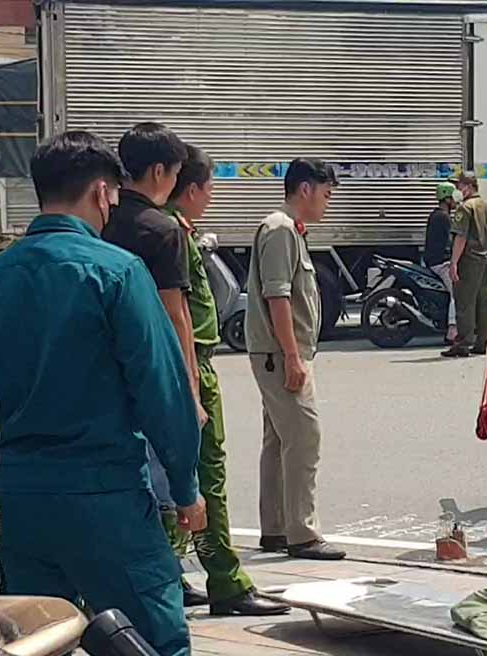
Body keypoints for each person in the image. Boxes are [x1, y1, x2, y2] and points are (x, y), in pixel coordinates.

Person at [0, 131, 204, 656]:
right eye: (112, 195)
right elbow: (163, 392)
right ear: (100, 190)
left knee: (45, 651)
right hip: (108, 495)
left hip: (28, 501)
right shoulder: (118, 273)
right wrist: (186, 486)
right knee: (154, 642)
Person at [165, 145, 290, 616]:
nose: (211, 196)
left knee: (172, 479)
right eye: (210, 187)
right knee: (204, 475)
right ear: (192, 188)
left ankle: (174, 572)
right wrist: (193, 387)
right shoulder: (169, 234)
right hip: (190, 364)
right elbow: (178, 314)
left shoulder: (168, 229)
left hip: (186, 364)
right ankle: (226, 581)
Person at [245, 158, 346, 561]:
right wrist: (292, 356)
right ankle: (302, 533)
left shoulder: (289, 230)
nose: (327, 203)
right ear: (305, 189)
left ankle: (276, 529)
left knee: (279, 441)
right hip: (280, 353)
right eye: (326, 194)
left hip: (280, 351)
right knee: (304, 438)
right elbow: (278, 296)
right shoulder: (281, 230)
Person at [101, 123, 204, 427]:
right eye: (175, 174)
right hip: (149, 367)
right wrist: (190, 387)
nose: (175, 183)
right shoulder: (163, 230)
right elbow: (174, 313)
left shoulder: (101, 217)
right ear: (159, 172)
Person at [446, 171, 487, 358]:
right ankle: (483, 342)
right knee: (484, 304)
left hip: (469, 262)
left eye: (459, 185)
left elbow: (461, 237)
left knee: (465, 302)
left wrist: (454, 263)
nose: (457, 189)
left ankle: (463, 343)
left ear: (469, 186)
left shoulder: (465, 208)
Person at [424, 182, 458, 343]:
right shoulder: (443, 218)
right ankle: (452, 329)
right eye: (452, 198)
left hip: (433, 260)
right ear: (447, 198)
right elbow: (449, 242)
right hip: (441, 262)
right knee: (457, 292)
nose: (455, 201)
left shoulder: (436, 214)